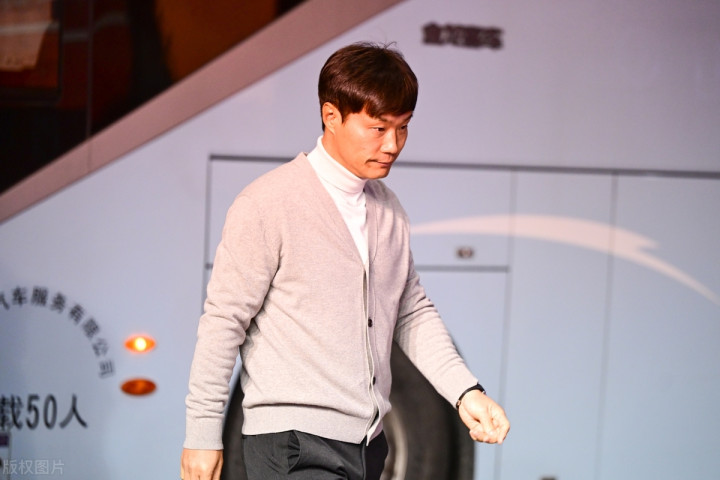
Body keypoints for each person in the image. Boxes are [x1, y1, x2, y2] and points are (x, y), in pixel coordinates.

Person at [181, 41, 510, 480]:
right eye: (378, 128)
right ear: (331, 115)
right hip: (292, 445)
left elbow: (411, 313)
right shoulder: (268, 203)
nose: (392, 144)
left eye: (403, 128)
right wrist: (202, 434)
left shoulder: (389, 210)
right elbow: (224, 322)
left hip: (368, 445)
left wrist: (466, 392)